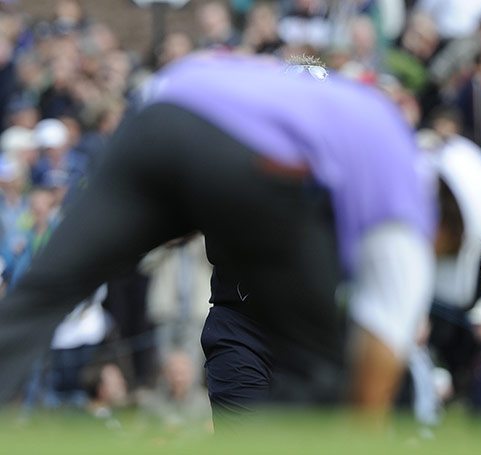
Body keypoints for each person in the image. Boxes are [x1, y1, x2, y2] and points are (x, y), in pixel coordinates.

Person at [0, 52, 437, 428]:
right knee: (316, 367)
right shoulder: (390, 159)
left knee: (44, 291)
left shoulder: (281, 96)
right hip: (230, 162)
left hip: (159, 113)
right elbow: (382, 340)